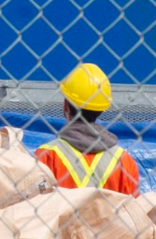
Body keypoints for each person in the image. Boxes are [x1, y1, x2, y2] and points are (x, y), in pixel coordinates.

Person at [35, 63, 141, 195]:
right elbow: (133, 212)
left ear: (66, 106)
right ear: (101, 110)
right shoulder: (124, 162)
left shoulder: (46, 156)